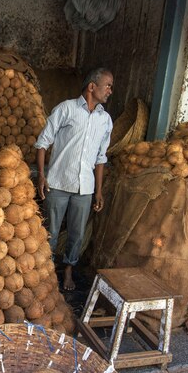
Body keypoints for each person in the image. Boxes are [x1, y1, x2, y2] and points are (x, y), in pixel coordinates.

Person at [34, 67, 114, 291]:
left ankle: (68, 272)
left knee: (77, 235)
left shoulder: (105, 120)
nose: (110, 90)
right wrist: (41, 176)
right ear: (92, 86)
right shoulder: (66, 109)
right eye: (107, 85)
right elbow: (43, 143)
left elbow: (100, 159)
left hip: (85, 188)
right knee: (49, 232)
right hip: (57, 183)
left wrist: (98, 190)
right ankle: (46, 275)